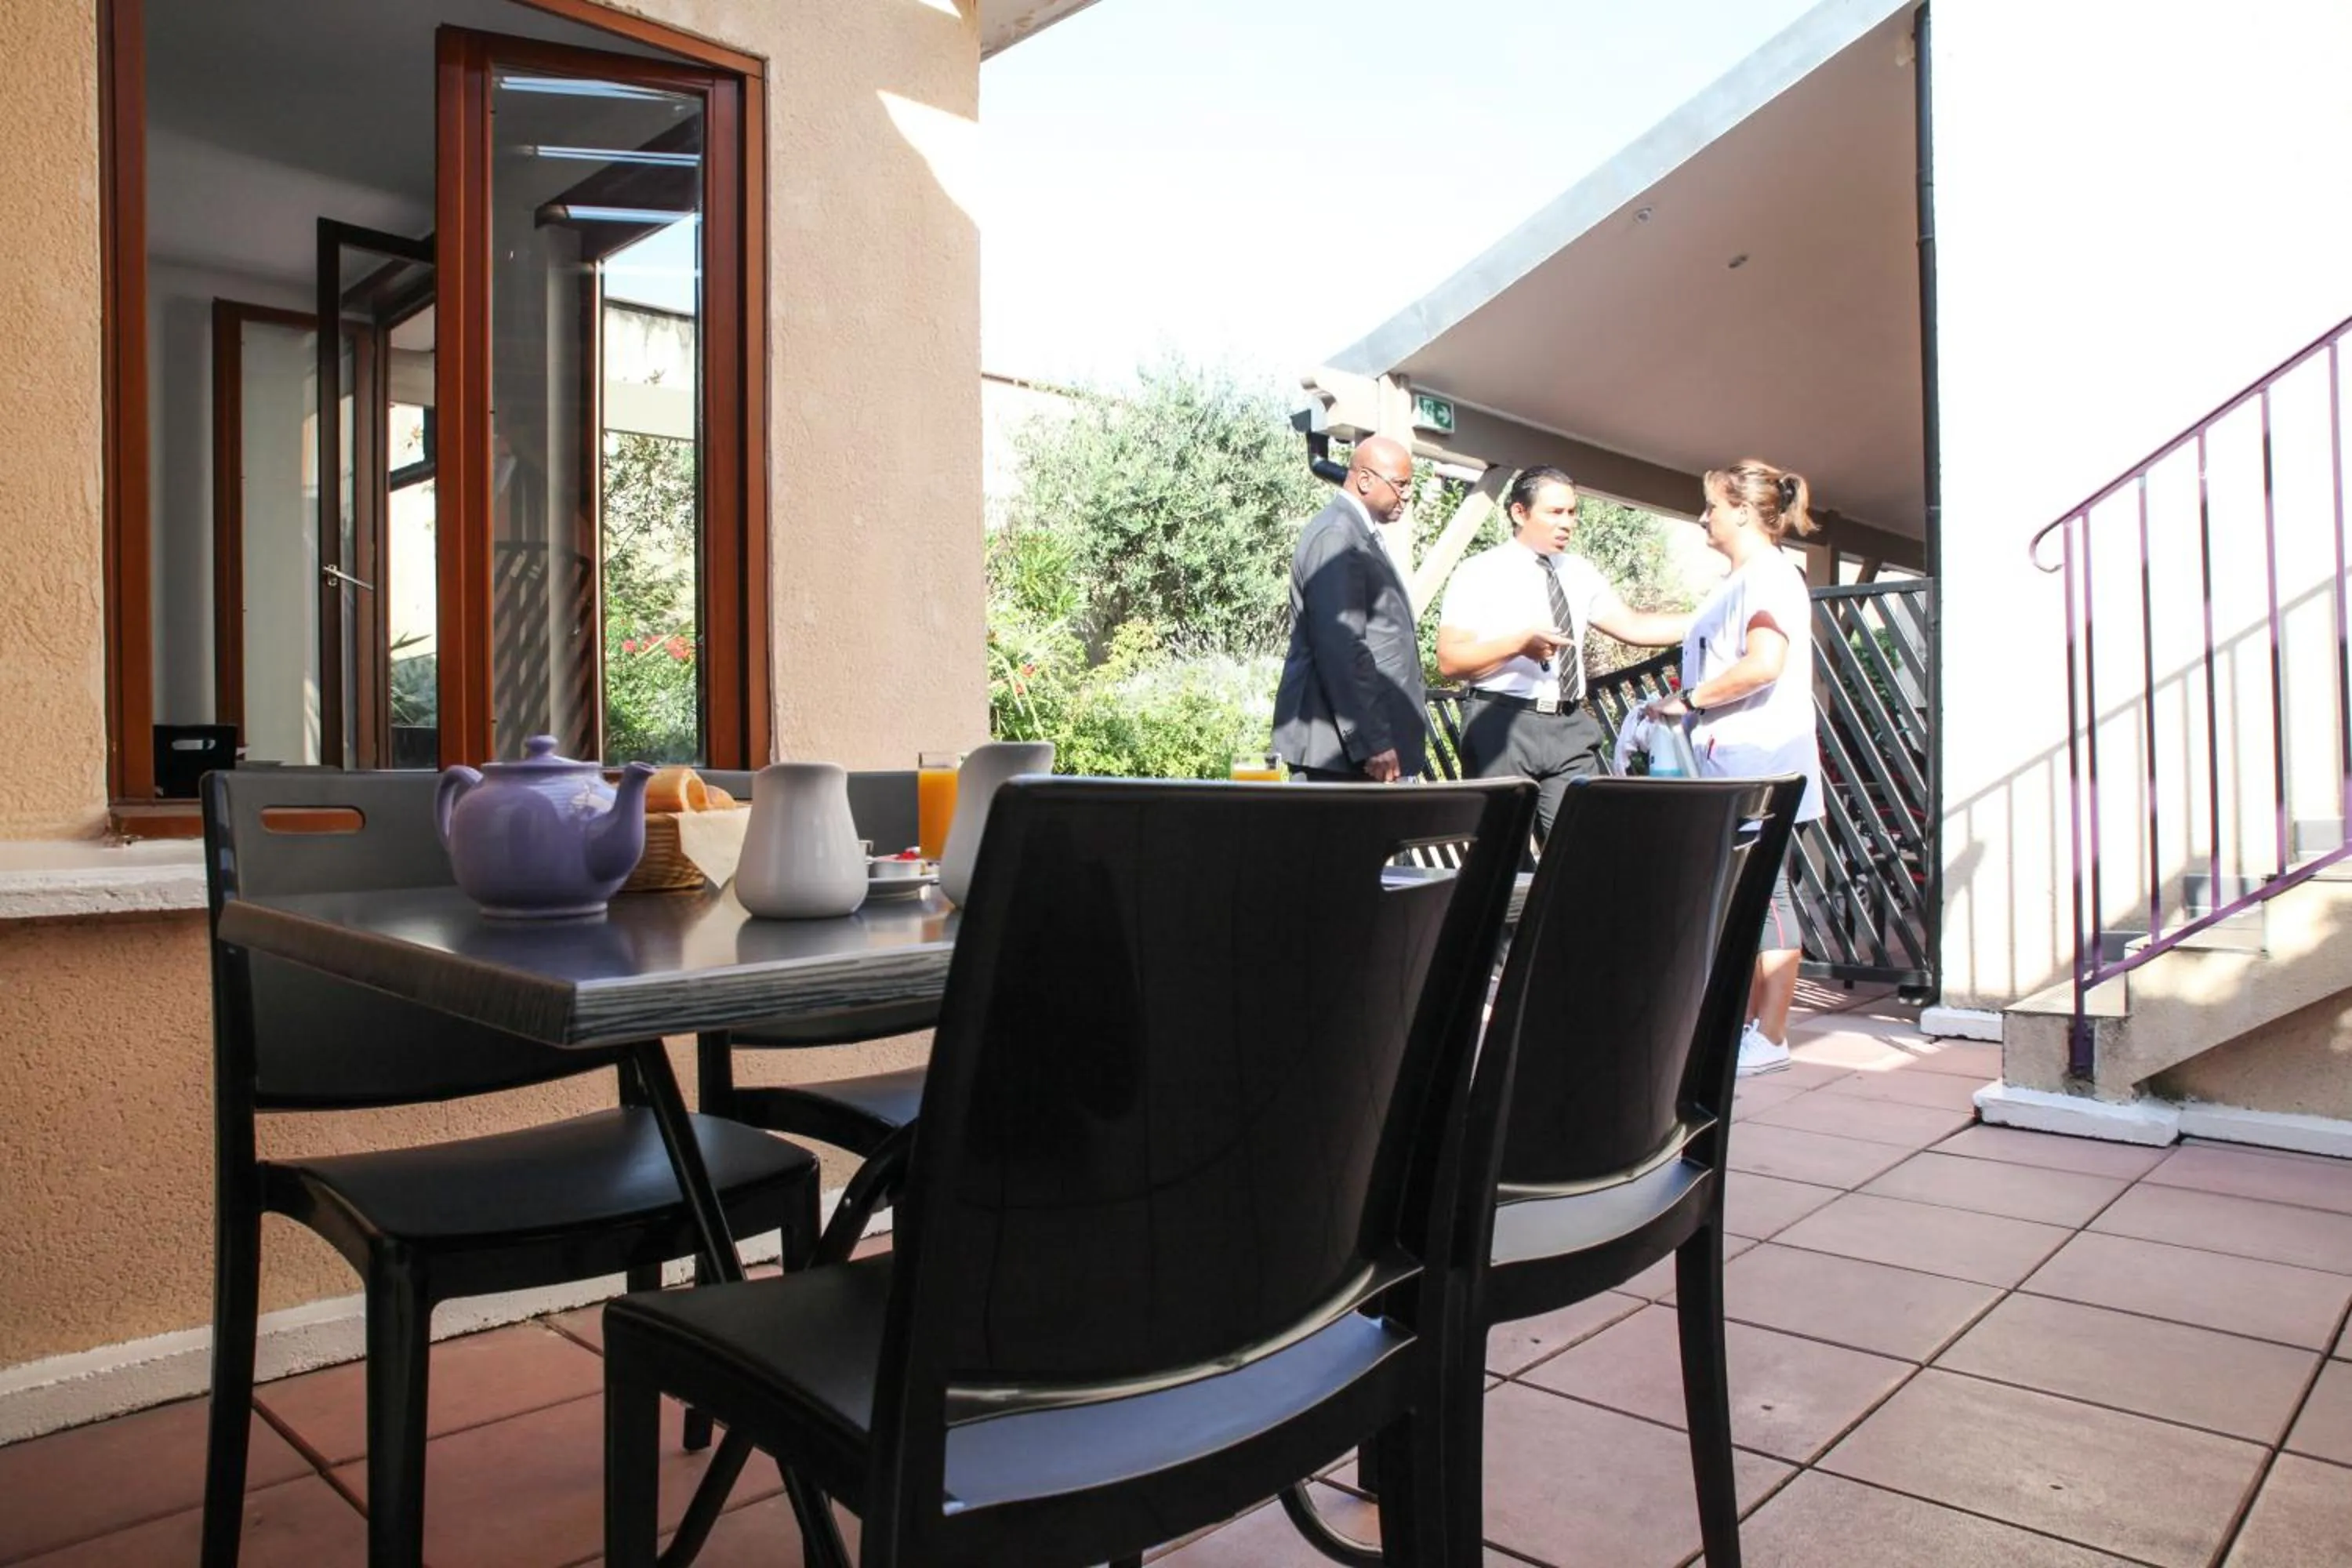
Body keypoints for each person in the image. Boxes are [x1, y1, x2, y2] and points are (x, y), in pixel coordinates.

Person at [1642, 458, 1824, 1076]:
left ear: (1742, 511)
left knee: (1765, 897)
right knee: (1741, 901)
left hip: (1762, 765)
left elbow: (1763, 663)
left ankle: (1770, 1037)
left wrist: (1687, 700)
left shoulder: (1769, 578)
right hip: (1733, 766)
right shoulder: (1739, 581)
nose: (1703, 517)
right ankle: (1745, 1027)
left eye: (1712, 506)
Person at [1436, 466, 1692, 838]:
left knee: (1582, 849)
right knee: (1503, 858)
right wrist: (1519, 645)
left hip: (1569, 726)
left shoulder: (1580, 571)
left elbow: (1634, 626)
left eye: (1572, 512)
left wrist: (1712, 617)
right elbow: (1450, 659)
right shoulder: (1478, 572)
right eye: (1555, 512)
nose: (1567, 523)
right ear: (1519, 513)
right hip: (1501, 722)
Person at [1272, 435, 1428, 782]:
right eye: (1401, 484)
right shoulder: (1337, 535)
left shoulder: (1354, 532)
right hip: (1343, 755)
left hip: (1356, 752)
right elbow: (1341, 644)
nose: (1407, 495)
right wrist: (1372, 740)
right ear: (1365, 480)